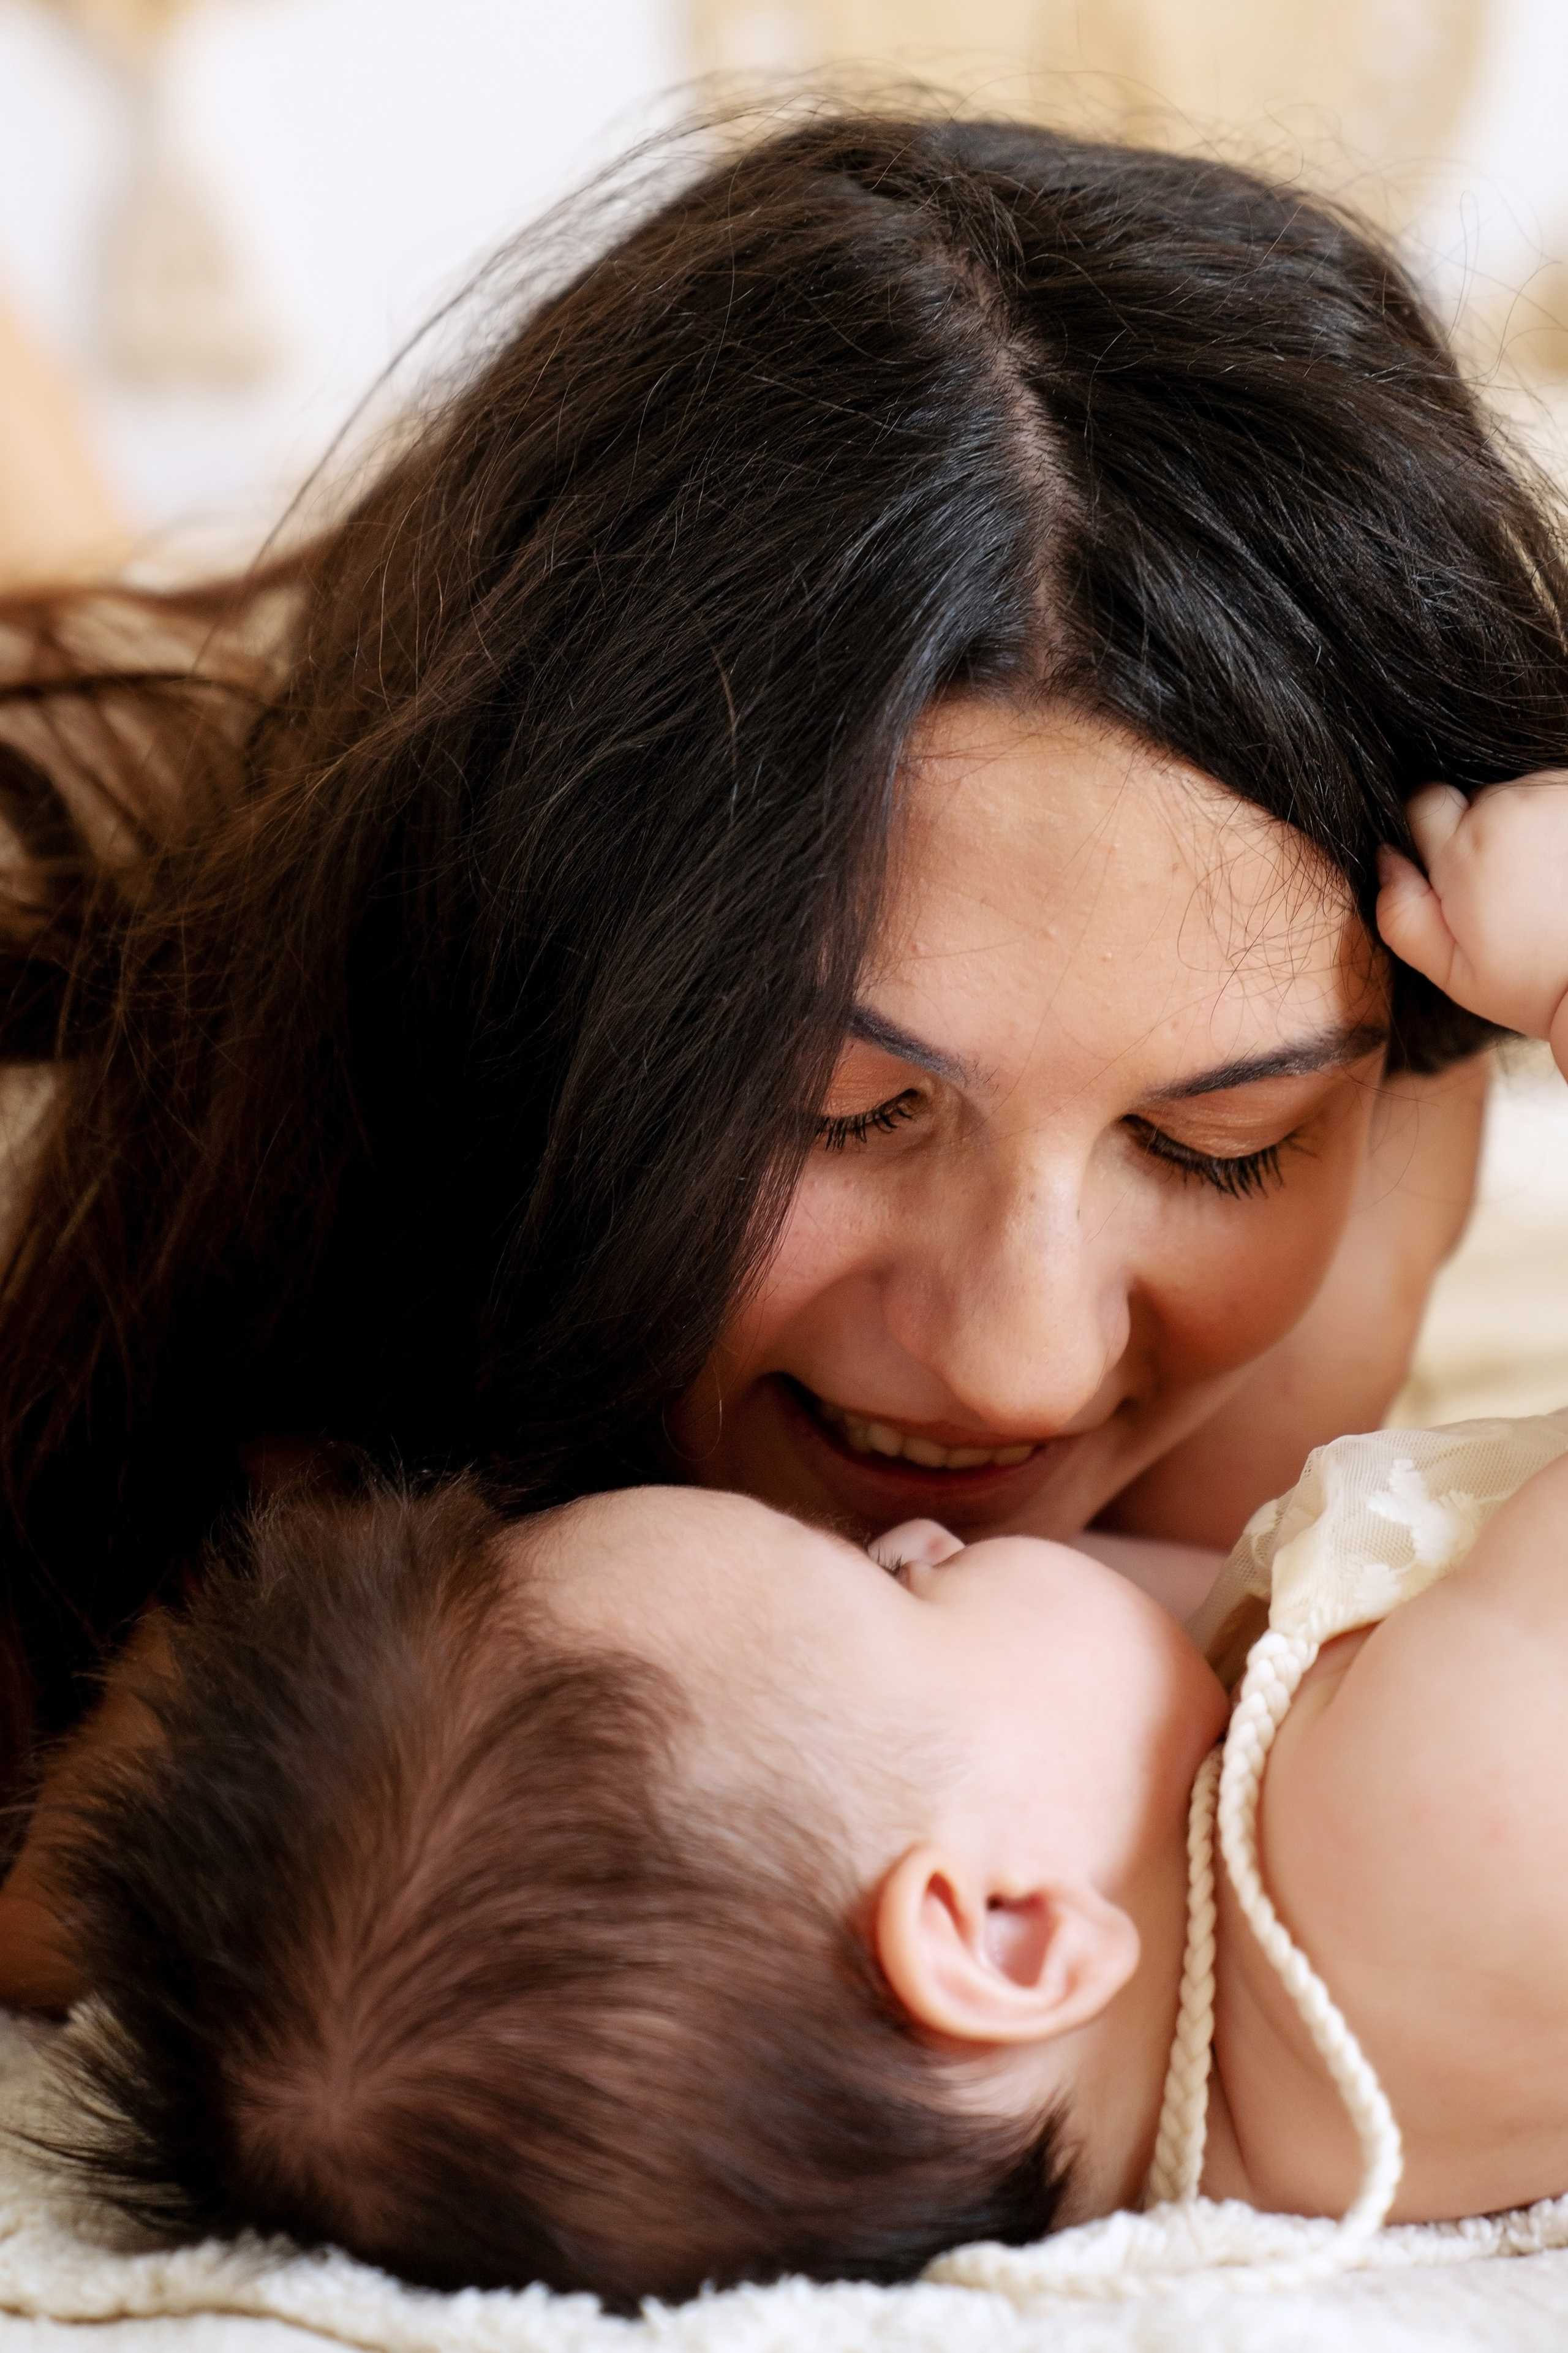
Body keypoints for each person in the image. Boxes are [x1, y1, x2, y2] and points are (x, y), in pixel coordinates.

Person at [0, 108, 1559, 1830]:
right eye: (837, 1105)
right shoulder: (181, 1201)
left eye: (1219, 1142)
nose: (1022, 1367)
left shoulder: (1388, 1098)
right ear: (511, 964)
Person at [30, 1405, 1568, 2310]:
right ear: (1004, 1938)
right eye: (886, 1587)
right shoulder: (1397, 1826)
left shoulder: (1227, 1947)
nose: (920, 1534)